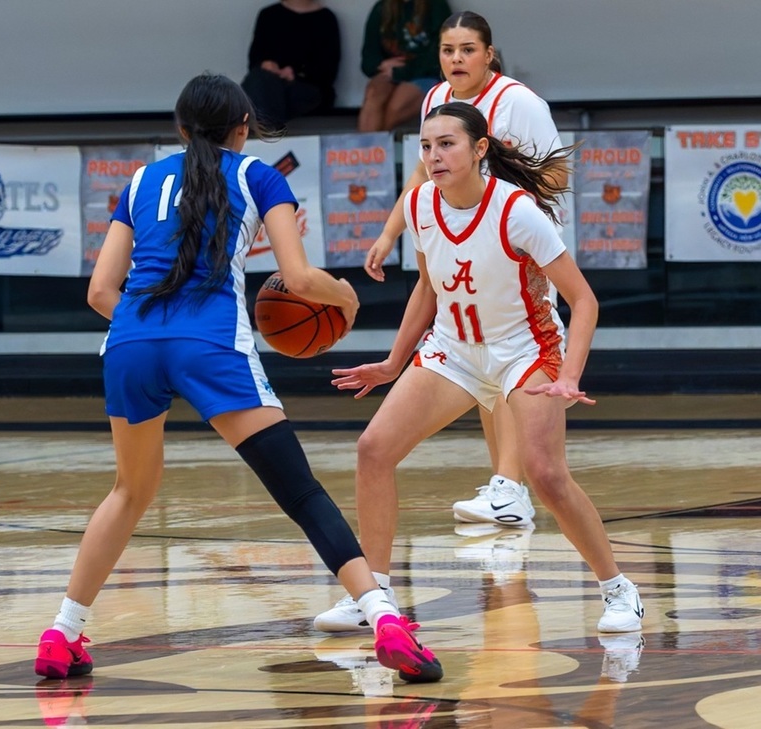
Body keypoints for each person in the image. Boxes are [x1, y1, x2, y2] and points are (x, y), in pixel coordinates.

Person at [33, 72, 442, 685]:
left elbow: (100, 291)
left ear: (180, 129)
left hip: (130, 344)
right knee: (299, 491)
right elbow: (300, 282)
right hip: (210, 346)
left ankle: (61, 634)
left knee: (129, 492)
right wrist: (347, 298)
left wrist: (154, 330)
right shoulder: (258, 176)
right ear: (244, 128)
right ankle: (383, 617)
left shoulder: (143, 178)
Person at [314, 101, 644, 637]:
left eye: (446, 144)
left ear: (479, 149)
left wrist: (569, 376)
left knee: (546, 475)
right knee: (373, 450)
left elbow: (584, 301)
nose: (434, 155)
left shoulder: (516, 210)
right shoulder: (420, 203)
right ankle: (372, 594)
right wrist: (395, 363)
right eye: (426, 146)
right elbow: (427, 286)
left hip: (525, 351)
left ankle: (619, 590)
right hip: (455, 350)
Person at [364, 10, 570, 528]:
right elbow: (420, 172)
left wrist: (494, 195)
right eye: (448, 50)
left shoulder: (518, 102)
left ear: (489, 54)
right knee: (477, 345)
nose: (456, 59)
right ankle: (507, 485)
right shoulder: (436, 100)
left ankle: (511, 485)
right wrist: (390, 232)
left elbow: (558, 171)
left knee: (507, 346)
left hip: (513, 239)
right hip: (459, 230)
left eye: (467, 50)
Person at [241, 1, 340, 130]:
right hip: (269, 83)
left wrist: (294, 73)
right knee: (262, 83)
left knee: (261, 92)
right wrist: (268, 65)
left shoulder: (326, 18)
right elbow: (255, 59)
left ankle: (266, 139)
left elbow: (328, 70)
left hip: (307, 89)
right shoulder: (269, 15)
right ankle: (270, 138)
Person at [358, 0, 452, 132]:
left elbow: (438, 57)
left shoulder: (436, 6)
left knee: (396, 105)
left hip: (425, 74)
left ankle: (372, 148)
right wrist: (381, 64)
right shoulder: (381, 8)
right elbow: (367, 62)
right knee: (374, 94)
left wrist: (400, 72)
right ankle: (370, 148)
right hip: (391, 73)